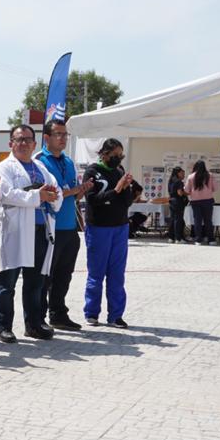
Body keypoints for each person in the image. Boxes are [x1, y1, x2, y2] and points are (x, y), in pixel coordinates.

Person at [0, 125, 61, 343]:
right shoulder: (4, 168)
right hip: (17, 230)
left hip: (41, 229)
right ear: (11, 143)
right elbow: (7, 194)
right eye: (18, 139)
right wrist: (38, 196)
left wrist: (51, 196)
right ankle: (4, 326)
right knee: (8, 282)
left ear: (34, 144)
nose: (23, 143)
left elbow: (56, 190)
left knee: (35, 282)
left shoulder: (40, 166)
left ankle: (33, 324)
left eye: (28, 140)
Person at [35, 119, 91, 331]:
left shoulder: (68, 161)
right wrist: (73, 191)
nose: (63, 138)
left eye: (65, 134)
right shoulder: (40, 160)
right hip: (50, 227)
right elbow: (49, 193)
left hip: (69, 227)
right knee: (44, 276)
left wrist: (81, 190)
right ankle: (37, 317)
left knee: (64, 275)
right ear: (47, 138)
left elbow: (70, 194)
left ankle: (58, 314)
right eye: (58, 134)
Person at [81, 139, 140, 328]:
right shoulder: (92, 172)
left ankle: (115, 315)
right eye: (115, 155)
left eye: (121, 156)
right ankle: (91, 313)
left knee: (117, 273)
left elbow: (126, 202)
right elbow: (93, 200)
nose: (118, 159)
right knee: (96, 272)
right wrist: (116, 189)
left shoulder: (119, 171)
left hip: (120, 227)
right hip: (99, 227)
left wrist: (129, 189)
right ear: (104, 153)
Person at [186, 160, 218, 245]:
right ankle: (211, 239)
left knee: (197, 220)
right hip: (208, 200)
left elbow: (187, 190)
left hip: (195, 201)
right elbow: (215, 188)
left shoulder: (190, 176)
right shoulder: (210, 175)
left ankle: (198, 240)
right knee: (208, 220)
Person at [165, 166, 188, 243]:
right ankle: (178, 238)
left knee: (173, 219)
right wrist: (187, 193)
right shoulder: (179, 182)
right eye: (182, 173)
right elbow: (180, 193)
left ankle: (171, 237)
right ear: (178, 173)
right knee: (178, 220)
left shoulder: (170, 181)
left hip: (171, 201)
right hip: (178, 202)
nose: (183, 175)